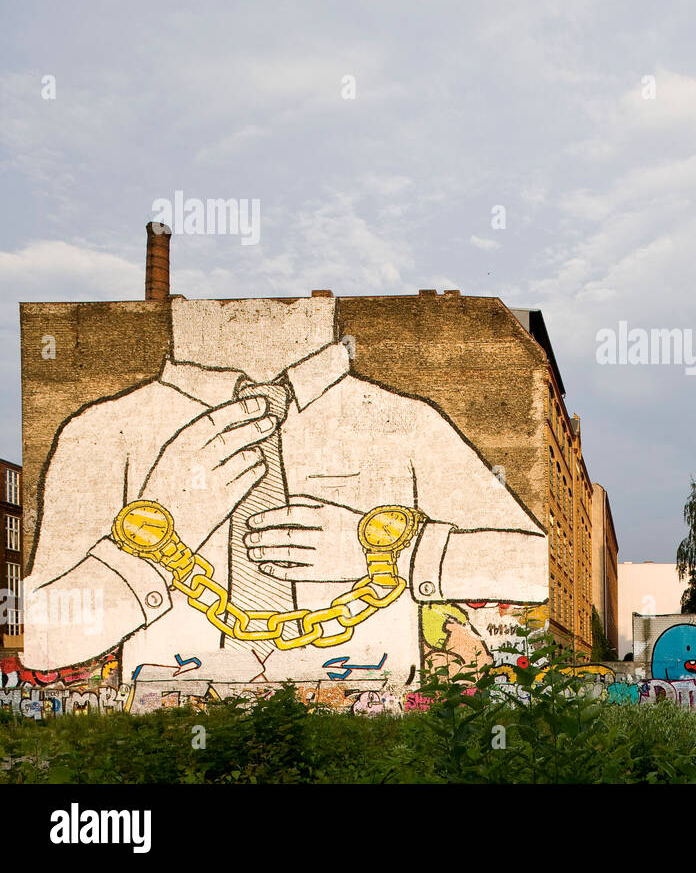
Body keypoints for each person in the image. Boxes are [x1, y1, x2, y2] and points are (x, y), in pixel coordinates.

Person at [21, 296, 548, 693]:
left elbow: (533, 566)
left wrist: (391, 551)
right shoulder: (101, 430)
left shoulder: (407, 423)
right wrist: (162, 530)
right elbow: (45, 639)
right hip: (174, 714)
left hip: (367, 717)